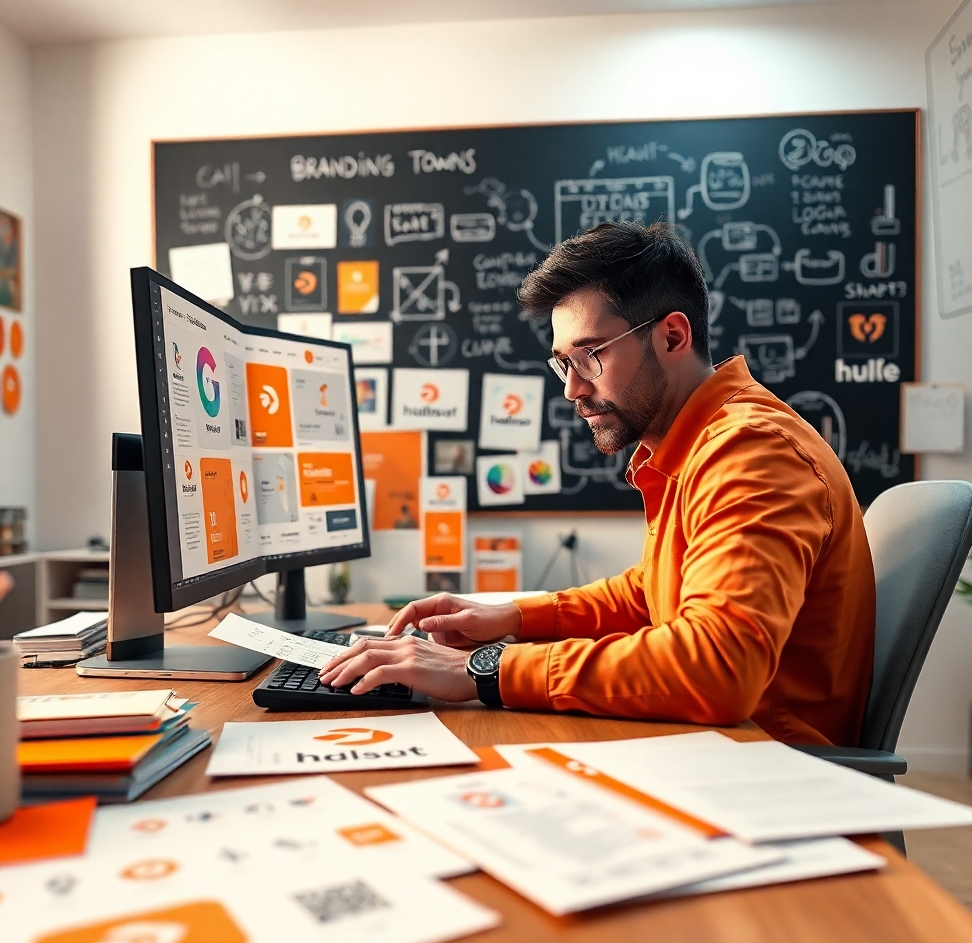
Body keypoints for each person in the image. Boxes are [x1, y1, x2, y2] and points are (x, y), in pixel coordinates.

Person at [320, 221, 875, 746]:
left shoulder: (750, 451)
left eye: (590, 356)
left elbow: (719, 666)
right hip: (714, 748)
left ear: (672, 336)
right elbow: (652, 592)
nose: (573, 390)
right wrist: (513, 617)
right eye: (563, 363)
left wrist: (484, 668)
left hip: (762, 769)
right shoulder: (699, 444)